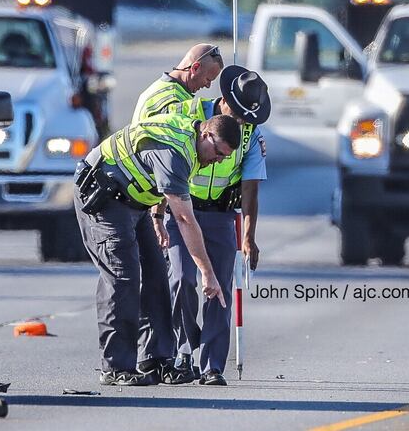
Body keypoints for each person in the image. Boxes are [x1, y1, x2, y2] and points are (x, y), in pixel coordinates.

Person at [74, 113, 241, 386]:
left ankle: (155, 358)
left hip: (135, 200)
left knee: (157, 274)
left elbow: (166, 182)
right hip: (104, 195)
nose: (219, 160)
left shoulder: (194, 146)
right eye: (219, 153)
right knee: (123, 277)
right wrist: (208, 274)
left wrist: (157, 216)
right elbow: (185, 219)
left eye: (225, 157)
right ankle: (115, 367)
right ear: (206, 135)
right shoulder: (176, 151)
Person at [153, 65, 271, 386]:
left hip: (220, 214)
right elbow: (163, 163)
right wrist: (157, 213)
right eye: (239, 114)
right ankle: (183, 351)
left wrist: (248, 237)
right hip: (182, 208)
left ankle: (211, 365)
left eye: (248, 117)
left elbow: (250, 187)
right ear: (224, 101)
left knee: (218, 290)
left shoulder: (250, 135)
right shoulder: (187, 113)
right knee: (181, 279)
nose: (241, 122)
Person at [131, 44, 224, 123]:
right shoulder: (172, 99)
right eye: (208, 79)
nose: (208, 86)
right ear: (195, 68)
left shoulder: (161, 87)